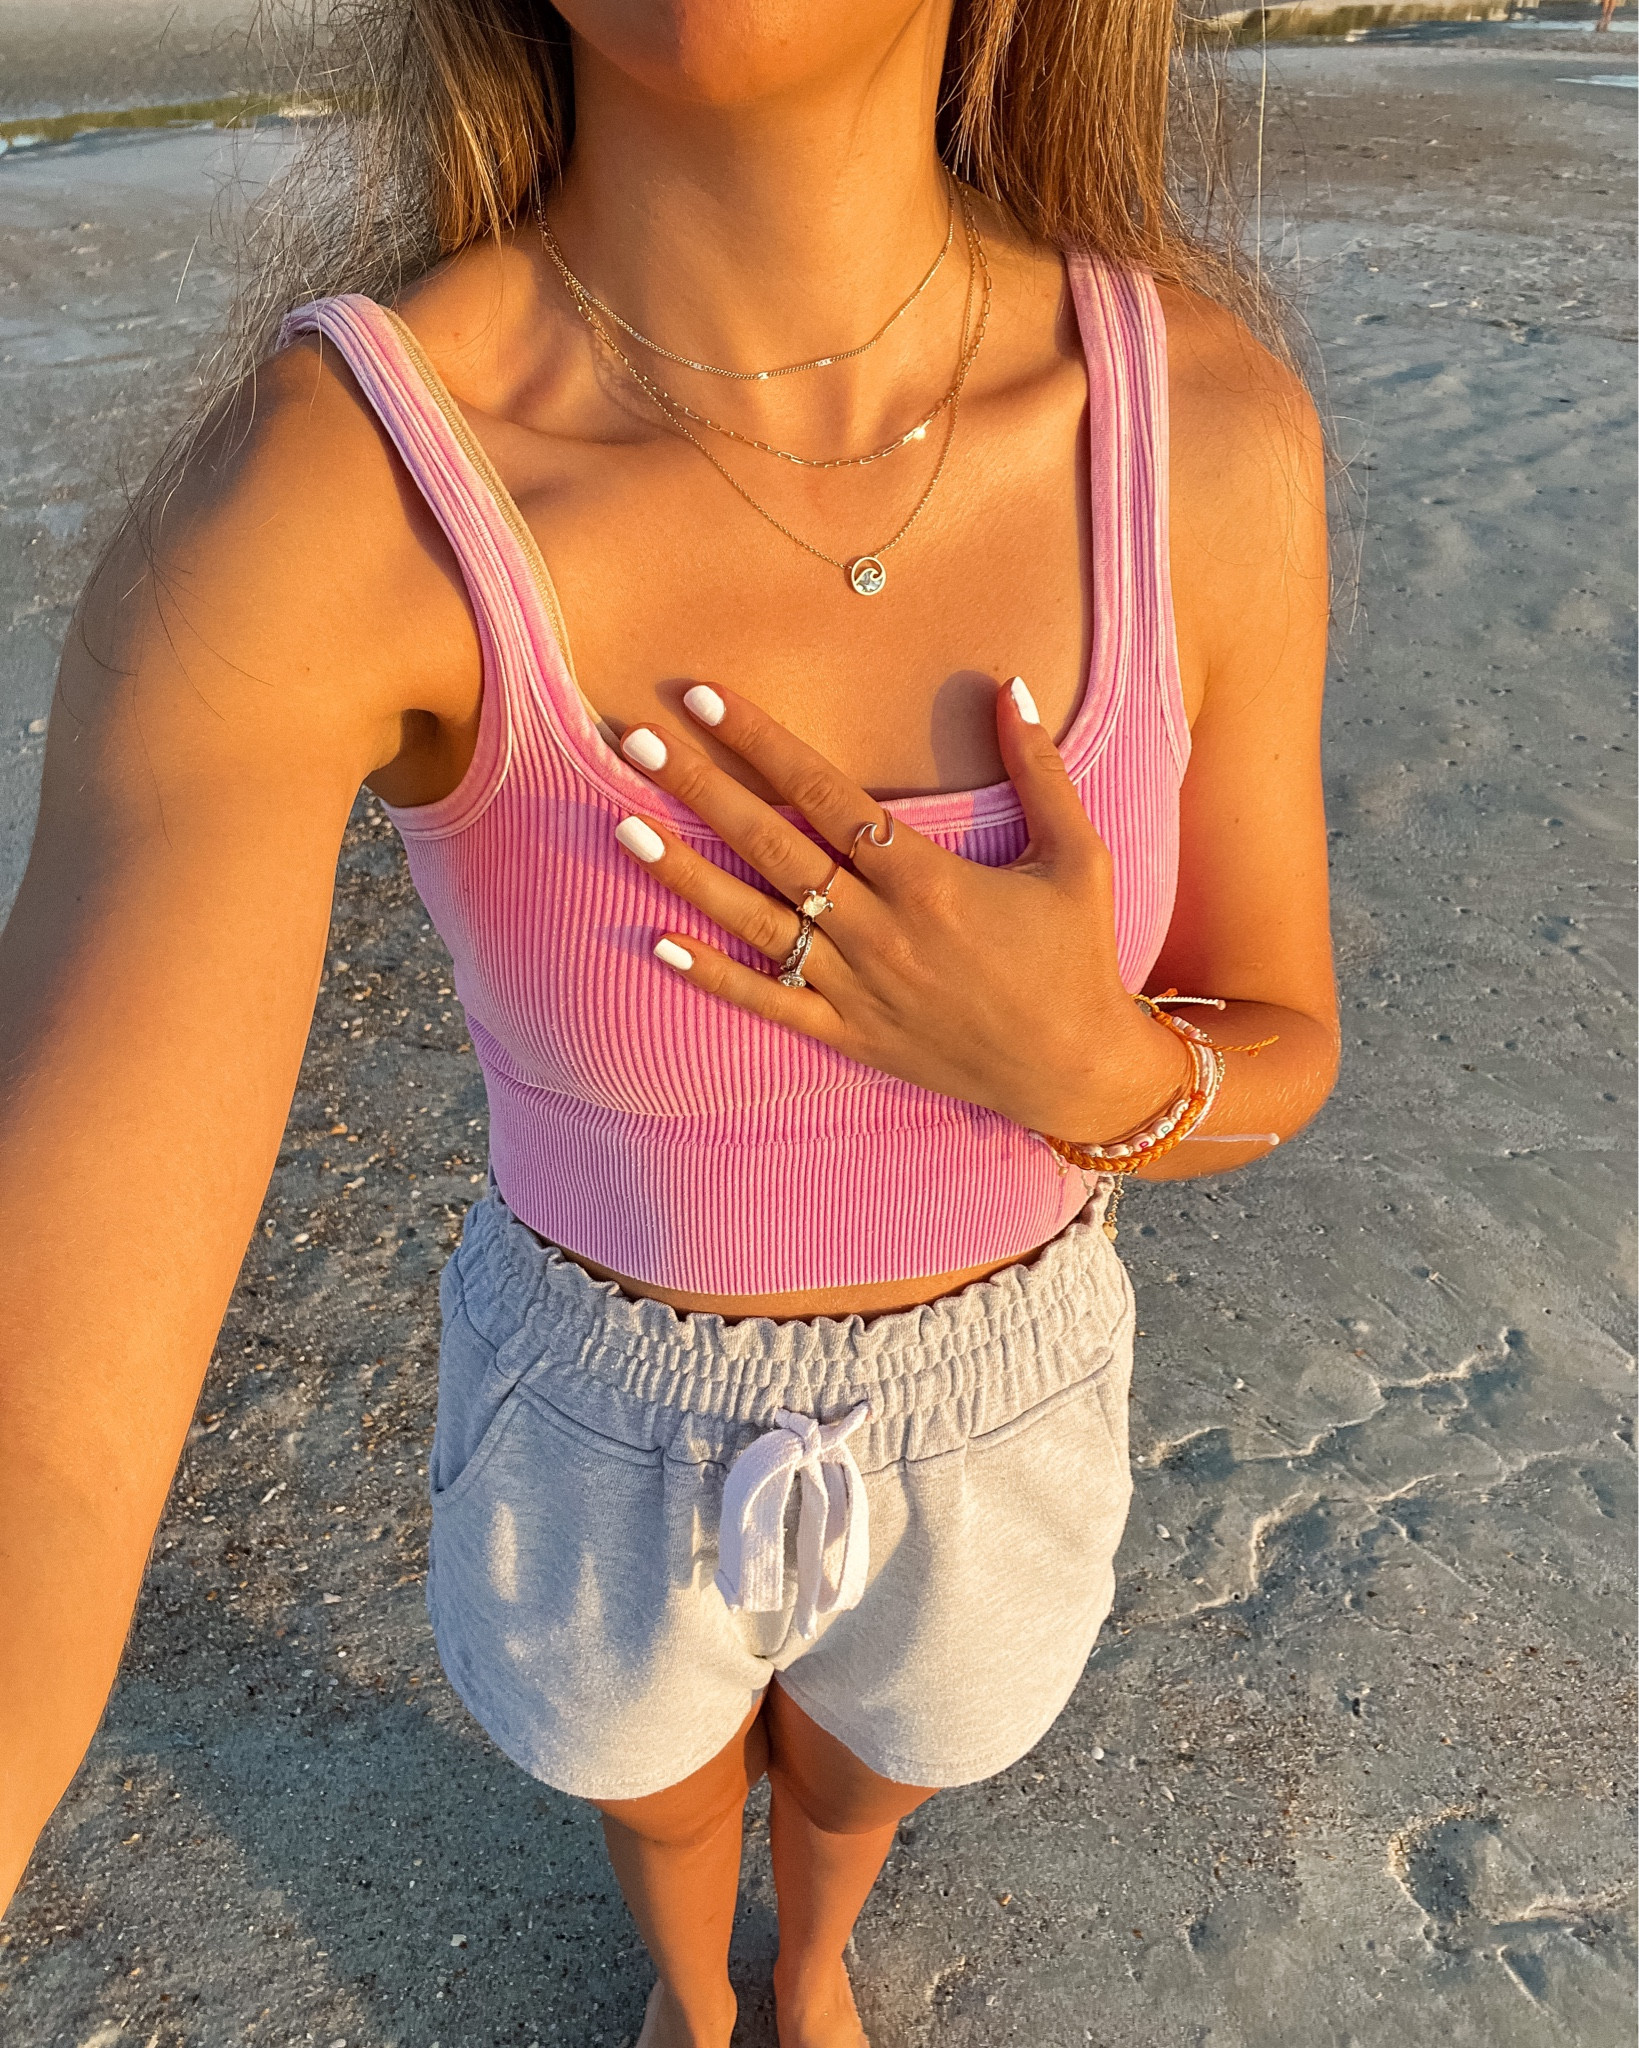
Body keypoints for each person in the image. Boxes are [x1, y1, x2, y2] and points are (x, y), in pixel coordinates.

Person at [0, 3, 1338, 2042]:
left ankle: (809, 1962)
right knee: (659, 1779)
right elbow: (40, 1430)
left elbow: (1284, 1042)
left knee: (880, 1764)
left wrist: (1097, 1072)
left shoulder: (1200, 430)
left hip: (1007, 1405)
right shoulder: (348, 493)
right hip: (593, 1418)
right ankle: (693, 1991)